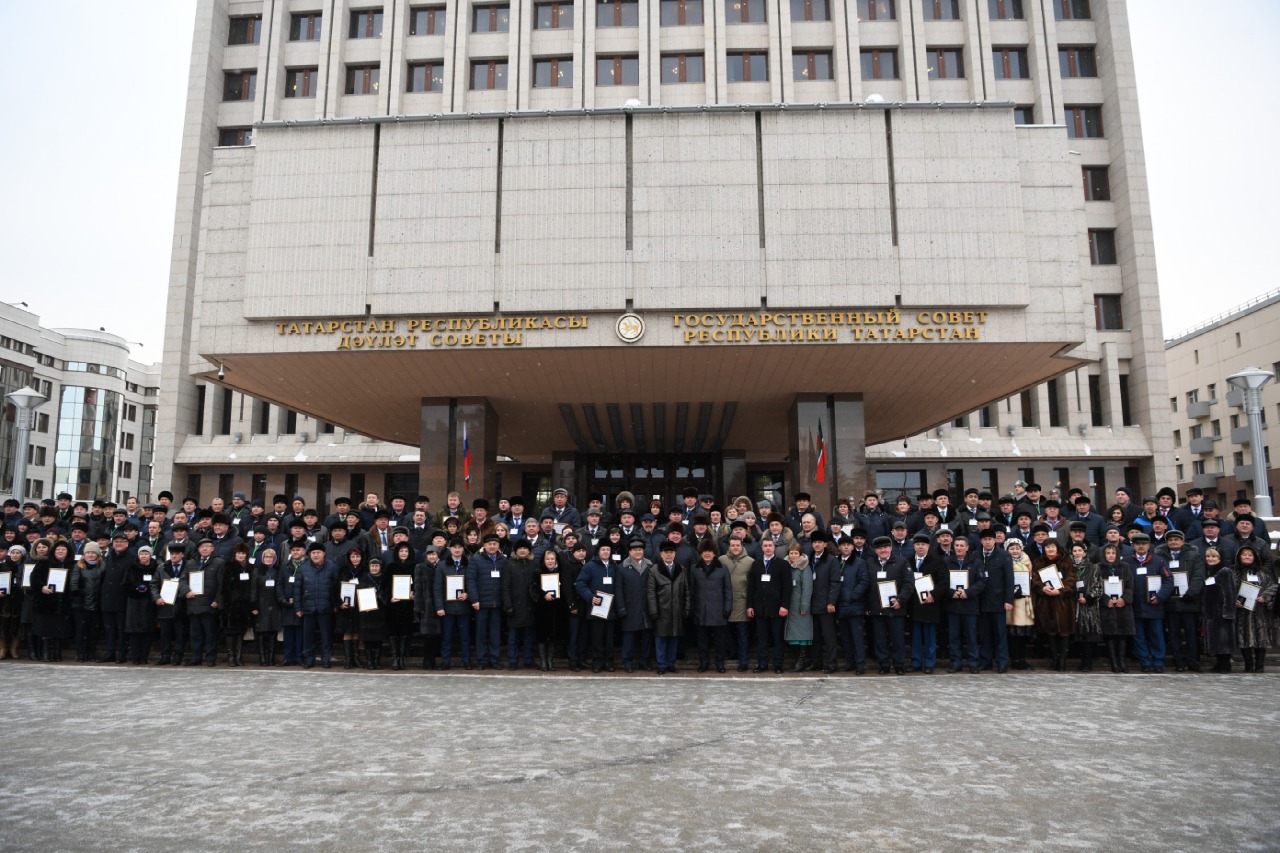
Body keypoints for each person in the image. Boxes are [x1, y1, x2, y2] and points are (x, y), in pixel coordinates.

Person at [1124, 531, 1173, 673]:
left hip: (1154, 606)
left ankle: (1158, 662)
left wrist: (1160, 596)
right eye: (1138, 544)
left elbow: (1168, 580)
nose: (1141, 546)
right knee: (1139, 637)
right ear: (1133, 545)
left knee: (1157, 635)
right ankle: (1144, 661)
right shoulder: (1127, 561)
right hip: (1135, 606)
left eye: (1144, 544)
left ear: (1149, 545)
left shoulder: (1159, 561)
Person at [1158, 529, 1205, 672]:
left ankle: (1193, 660)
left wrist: (1190, 593)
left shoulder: (1194, 555)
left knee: (1191, 634)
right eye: (1170, 540)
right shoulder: (1161, 556)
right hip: (1170, 602)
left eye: (1176, 539)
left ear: (1183, 541)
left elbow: (1198, 576)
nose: (1173, 542)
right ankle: (1179, 661)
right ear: (1167, 542)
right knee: (1174, 634)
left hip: (1189, 602)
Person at [576, 542, 622, 672]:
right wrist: (591, 597)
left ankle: (608, 661)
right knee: (597, 637)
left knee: (609, 638)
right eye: (603, 549)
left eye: (608, 549)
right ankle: (597, 661)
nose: (606, 552)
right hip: (596, 608)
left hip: (611, 608)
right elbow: (580, 584)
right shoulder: (590, 566)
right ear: (598, 551)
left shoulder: (614, 566)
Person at [1031, 539, 1077, 672]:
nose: (1050, 549)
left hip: (1063, 603)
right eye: (1047, 547)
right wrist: (1042, 588)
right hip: (1046, 602)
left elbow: (1071, 579)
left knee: (1064, 632)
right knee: (1050, 632)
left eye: (1052, 547)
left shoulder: (1065, 561)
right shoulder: (1039, 562)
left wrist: (1061, 590)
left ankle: (1062, 660)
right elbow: (1034, 579)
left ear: (1057, 548)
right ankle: (1054, 658)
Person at [867, 535, 910, 675]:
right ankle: (883, 664)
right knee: (880, 639)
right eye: (879, 548)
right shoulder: (870, 563)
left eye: (885, 547)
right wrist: (867, 605)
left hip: (895, 608)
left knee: (897, 639)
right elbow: (866, 585)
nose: (882, 550)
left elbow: (909, 584)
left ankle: (899, 665)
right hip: (877, 609)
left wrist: (900, 600)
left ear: (891, 548)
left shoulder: (902, 562)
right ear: (875, 550)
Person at [1232, 544, 1277, 673]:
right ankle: (1248, 664)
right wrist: (1234, 599)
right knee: (1243, 637)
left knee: (1261, 637)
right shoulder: (1234, 572)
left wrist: (1265, 597)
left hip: (1260, 611)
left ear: (1255, 557)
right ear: (1239, 556)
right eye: (1244, 554)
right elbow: (1227, 589)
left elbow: (1273, 586)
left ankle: (1259, 665)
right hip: (1242, 611)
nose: (1247, 557)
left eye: (1250, 555)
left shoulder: (1262, 572)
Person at [690, 539, 732, 673]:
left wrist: (727, 608)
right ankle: (704, 662)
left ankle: (720, 663)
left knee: (720, 641)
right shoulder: (694, 568)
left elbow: (728, 590)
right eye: (704, 551)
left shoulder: (723, 568)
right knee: (702, 641)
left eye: (710, 551)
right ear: (700, 553)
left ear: (715, 553)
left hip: (718, 611)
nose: (707, 554)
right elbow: (691, 590)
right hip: (700, 610)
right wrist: (691, 608)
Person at [906, 532, 946, 674]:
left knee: (929, 637)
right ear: (914, 546)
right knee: (916, 637)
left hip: (930, 605)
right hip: (914, 605)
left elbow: (944, 582)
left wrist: (933, 594)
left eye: (923, 544)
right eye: (917, 544)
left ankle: (929, 663)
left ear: (928, 546)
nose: (920, 547)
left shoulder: (937, 561)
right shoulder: (908, 561)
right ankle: (916, 662)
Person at [181, 538, 224, 667]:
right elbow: (182, 580)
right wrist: (186, 591)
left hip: (210, 604)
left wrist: (217, 600)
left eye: (208, 546)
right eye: (202, 547)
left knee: (210, 634)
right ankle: (196, 657)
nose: (204, 549)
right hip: (193, 604)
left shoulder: (219, 562)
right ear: (198, 549)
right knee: (195, 634)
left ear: (212, 549)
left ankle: (211, 658)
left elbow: (222, 584)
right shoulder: (191, 563)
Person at [295, 541, 339, 669]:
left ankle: (326, 658)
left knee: (326, 636)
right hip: (308, 608)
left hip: (326, 607)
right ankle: (309, 659)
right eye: (313, 553)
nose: (316, 555)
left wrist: (336, 604)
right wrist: (298, 607)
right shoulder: (303, 568)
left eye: (318, 552)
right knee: (308, 636)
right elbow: (297, 589)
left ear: (324, 553)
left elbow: (337, 588)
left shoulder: (332, 567)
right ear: (309, 554)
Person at [467, 533, 506, 670]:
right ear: (484, 545)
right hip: (481, 603)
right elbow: (470, 580)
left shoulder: (503, 560)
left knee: (496, 634)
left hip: (497, 603)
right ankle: (481, 660)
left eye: (495, 544)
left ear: (498, 545)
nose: (492, 546)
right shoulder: (476, 560)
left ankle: (495, 659)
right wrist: (475, 599)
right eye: (489, 544)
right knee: (481, 633)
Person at [944, 536, 983, 674]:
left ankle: (973, 663)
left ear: (967, 547)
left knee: (971, 636)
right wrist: (950, 593)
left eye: (962, 546)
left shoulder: (976, 562)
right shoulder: (946, 562)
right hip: (953, 605)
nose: (959, 548)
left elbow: (981, 582)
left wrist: (968, 592)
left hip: (970, 605)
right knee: (954, 637)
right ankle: (956, 662)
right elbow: (941, 581)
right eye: (957, 545)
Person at [31, 539, 74, 661]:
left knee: (59, 629)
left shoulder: (71, 565)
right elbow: (34, 579)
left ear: (68, 552)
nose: (60, 551)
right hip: (46, 602)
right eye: (58, 549)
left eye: (63, 549)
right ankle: (47, 653)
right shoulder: (44, 563)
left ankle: (57, 653)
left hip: (63, 602)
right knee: (46, 629)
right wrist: (42, 587)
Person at [434, 537, 473, 670]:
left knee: (465, 637)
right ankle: (445, 662)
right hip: (448, 608)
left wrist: (468, 595)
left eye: (460, 547)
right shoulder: (442, 565)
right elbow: (438, 588)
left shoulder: (469, 564)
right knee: (446, 637)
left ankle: (466, 661)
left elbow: (472, 584)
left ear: (463, 549)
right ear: (450, 549)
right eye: (454, 547)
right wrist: (439, 606)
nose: (457, 550)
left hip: (464, 608)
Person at [502, 539, 539, 670]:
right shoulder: (509, 565)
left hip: (530, 605)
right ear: (515, 550)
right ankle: (513, 660)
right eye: (520, 548)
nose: (522, 550)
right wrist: (508, 605)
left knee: (529, 636)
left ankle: (528, 660)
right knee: (513, 637)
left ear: (529, 550)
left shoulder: (534, 564)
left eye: (525, 548)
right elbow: (505, 587)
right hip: (515, 606)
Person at [718, 535, 754, 672]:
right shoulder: (721, 560)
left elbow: (752, 584)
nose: (735, 548)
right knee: (726, 632)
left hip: (742, 602)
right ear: (729, 546)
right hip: (725, 602)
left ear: (742, 546)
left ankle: (743, 661)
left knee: (742, 634)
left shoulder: (750, 561)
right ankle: (732, 652)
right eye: (732, 545)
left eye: (737, 545)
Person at [618, 539, 653, 672]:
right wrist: (621, 607)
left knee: (646, 637)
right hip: (629, 607)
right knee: (629, 638)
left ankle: (644, 661)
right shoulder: (622, 568)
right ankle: (627, 662)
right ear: (630, 552)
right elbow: (619, 590)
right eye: (635, 550)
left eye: (640, 550)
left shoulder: (650, 566)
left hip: (646, 607)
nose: (638, 552)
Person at [1199, 547, 1236, 673]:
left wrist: (1227, 612)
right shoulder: (1210, 572)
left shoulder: (1225, 571)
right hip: (1212, 613)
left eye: (1214, 556)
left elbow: (1229, 592)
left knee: (1223, 640)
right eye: (1208, 556)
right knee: (1216, 640)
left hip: (1222, 612)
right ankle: (1219, 663)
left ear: (1220, 558)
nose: (1210, 559)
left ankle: (1225, 664)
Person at [68, 543, 105, 662]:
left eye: (93, 552)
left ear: (97, 554)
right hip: (81, 603)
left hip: (97, 602)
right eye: (88, 552)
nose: (90, 555)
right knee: (81, 629)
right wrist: (79, 594)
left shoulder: (103, 565)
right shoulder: (78, 566)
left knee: (94, 630)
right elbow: (74, 584)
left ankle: (91, 652)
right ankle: (81, 653)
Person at [1071, 541, 1103, 672]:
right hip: (1074, 605)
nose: (1077, 553)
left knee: (1089, 634)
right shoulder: (1070, 567)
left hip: (1089, 607)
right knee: (1078, 634)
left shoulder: (1093, 567)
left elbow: (1098, 586)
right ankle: (1081, 662)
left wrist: (1088, 598)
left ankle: (1088, 662)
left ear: (1084, 552)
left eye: (1079, 550)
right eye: (1074, 551)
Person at [221, 543, 255, 666]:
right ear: (235, 554)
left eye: (243, 553)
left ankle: (238, 656)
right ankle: (231, 657)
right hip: (231, 604)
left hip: (244, 605)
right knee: (230, 631)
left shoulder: (250, 568)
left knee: (241, 631)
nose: (241, 556)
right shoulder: (229, 566)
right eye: (239, 553)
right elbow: (224, 586)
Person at [385, 542, 418, 671]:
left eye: (406, 551)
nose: (403, 553)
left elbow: (417, 584)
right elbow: (385, 586)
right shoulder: (391, 566)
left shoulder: (415, 566)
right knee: (394, 631)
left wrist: (414, 593)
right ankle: (395, 657)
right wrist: (389, 597)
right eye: (401, 551)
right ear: (397, 553)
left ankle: (402, 657)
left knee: (405, 631)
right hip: (394, 604)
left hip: (408, 604)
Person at [783, 541, 813, 671]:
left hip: (800, 606)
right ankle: (797, 660)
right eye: (791, 553)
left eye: (796, 553)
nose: (793, 556)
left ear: (800, 554)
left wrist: (804, 606)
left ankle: (801, 661)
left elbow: (807, 588)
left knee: (802, 635)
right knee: (793, 635)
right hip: (789, 606)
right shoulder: (785, 566)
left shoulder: (805, 567)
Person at [531, 547, 562, 671]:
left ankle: (550, 660)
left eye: (552, 558)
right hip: (542, 608)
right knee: (542, 635)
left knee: (553, 635)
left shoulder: (560, 571)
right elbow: (533, 587)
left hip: (556, 608)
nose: (550, 561)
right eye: (547, 559)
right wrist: (544, 594)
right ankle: (543, 661)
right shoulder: (538, 571)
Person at [275, 541, 306, 666]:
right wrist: (281, 598)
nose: (295, 552)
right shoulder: (284, 564)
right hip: (287, 603)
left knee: (300, 632)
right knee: (288, 632)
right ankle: (288, 657)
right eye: (293, 550)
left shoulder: (307, 565)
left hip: (302, 604)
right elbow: (280, 583)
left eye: (298, 550)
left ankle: (299, 656)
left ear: (304, 551)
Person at [413, 545, 443, 669]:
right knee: (428, 636)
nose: (432, 556)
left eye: (434, 554)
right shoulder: (420, 567)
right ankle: (427, 660)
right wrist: (419, 606)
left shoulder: (441, 567)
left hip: (440, 604)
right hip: (427, 605)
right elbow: (418, 588)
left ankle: (434, 660)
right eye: (430, 554)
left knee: (437, 635)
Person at [336, 548, 366, 669]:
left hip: (360, 606)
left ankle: (356, 657)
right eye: (352, 557)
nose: (355, 559)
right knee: (347, 632)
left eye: (357, 556)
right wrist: (339, 603)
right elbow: (336, 588)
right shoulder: (343, 570)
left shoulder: (365, 570)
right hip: (346, 607)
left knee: (357, 632)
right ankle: (348, 659)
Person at [250, 547, 281, 666]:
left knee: (273, 632)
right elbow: (253, 590)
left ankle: (271, 658)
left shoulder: (277, 571)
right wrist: (253, 606)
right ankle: (262, 658)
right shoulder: (257, 571)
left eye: (271, 557)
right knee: (261, 632)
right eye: (266, 557)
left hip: (274, 605)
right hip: (261, 605)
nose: (268, 559)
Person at [358, 558, 389, 669]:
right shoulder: (363, 579)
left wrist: (381, 596)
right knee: (367, 640)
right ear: (369, 567)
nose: (374, 568)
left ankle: (377, 661)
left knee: (378, 639)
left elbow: (388, 592)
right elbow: (359, 594)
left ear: (380, 567)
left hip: (380, 613)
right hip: (367, 613)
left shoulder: (385, 579)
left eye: (377, 566)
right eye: (372, 566)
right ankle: (370, 661)